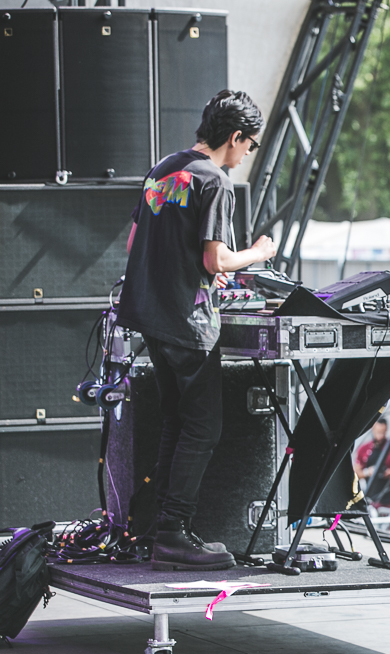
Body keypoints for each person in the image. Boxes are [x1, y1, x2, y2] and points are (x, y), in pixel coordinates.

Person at [116, 90, 275, 571]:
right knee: (204, 427)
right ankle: (173, 535)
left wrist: (200, 268)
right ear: (235, 137)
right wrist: (258, 253)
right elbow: (216, 258)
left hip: (151, 317)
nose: (248, 154)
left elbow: (135, 242)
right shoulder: (215, 181)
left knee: (176, 422)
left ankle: (160, 528)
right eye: (249, 145)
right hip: (187, 322)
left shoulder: (162, 168)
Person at [354, 419, 390, 507]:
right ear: (373, 430)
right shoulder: (364, 449)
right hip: (371, 497)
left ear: (386, 430)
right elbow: (356, 474)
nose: (380, 436)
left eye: (383, 432)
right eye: (378, 432)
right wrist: (368, 472)